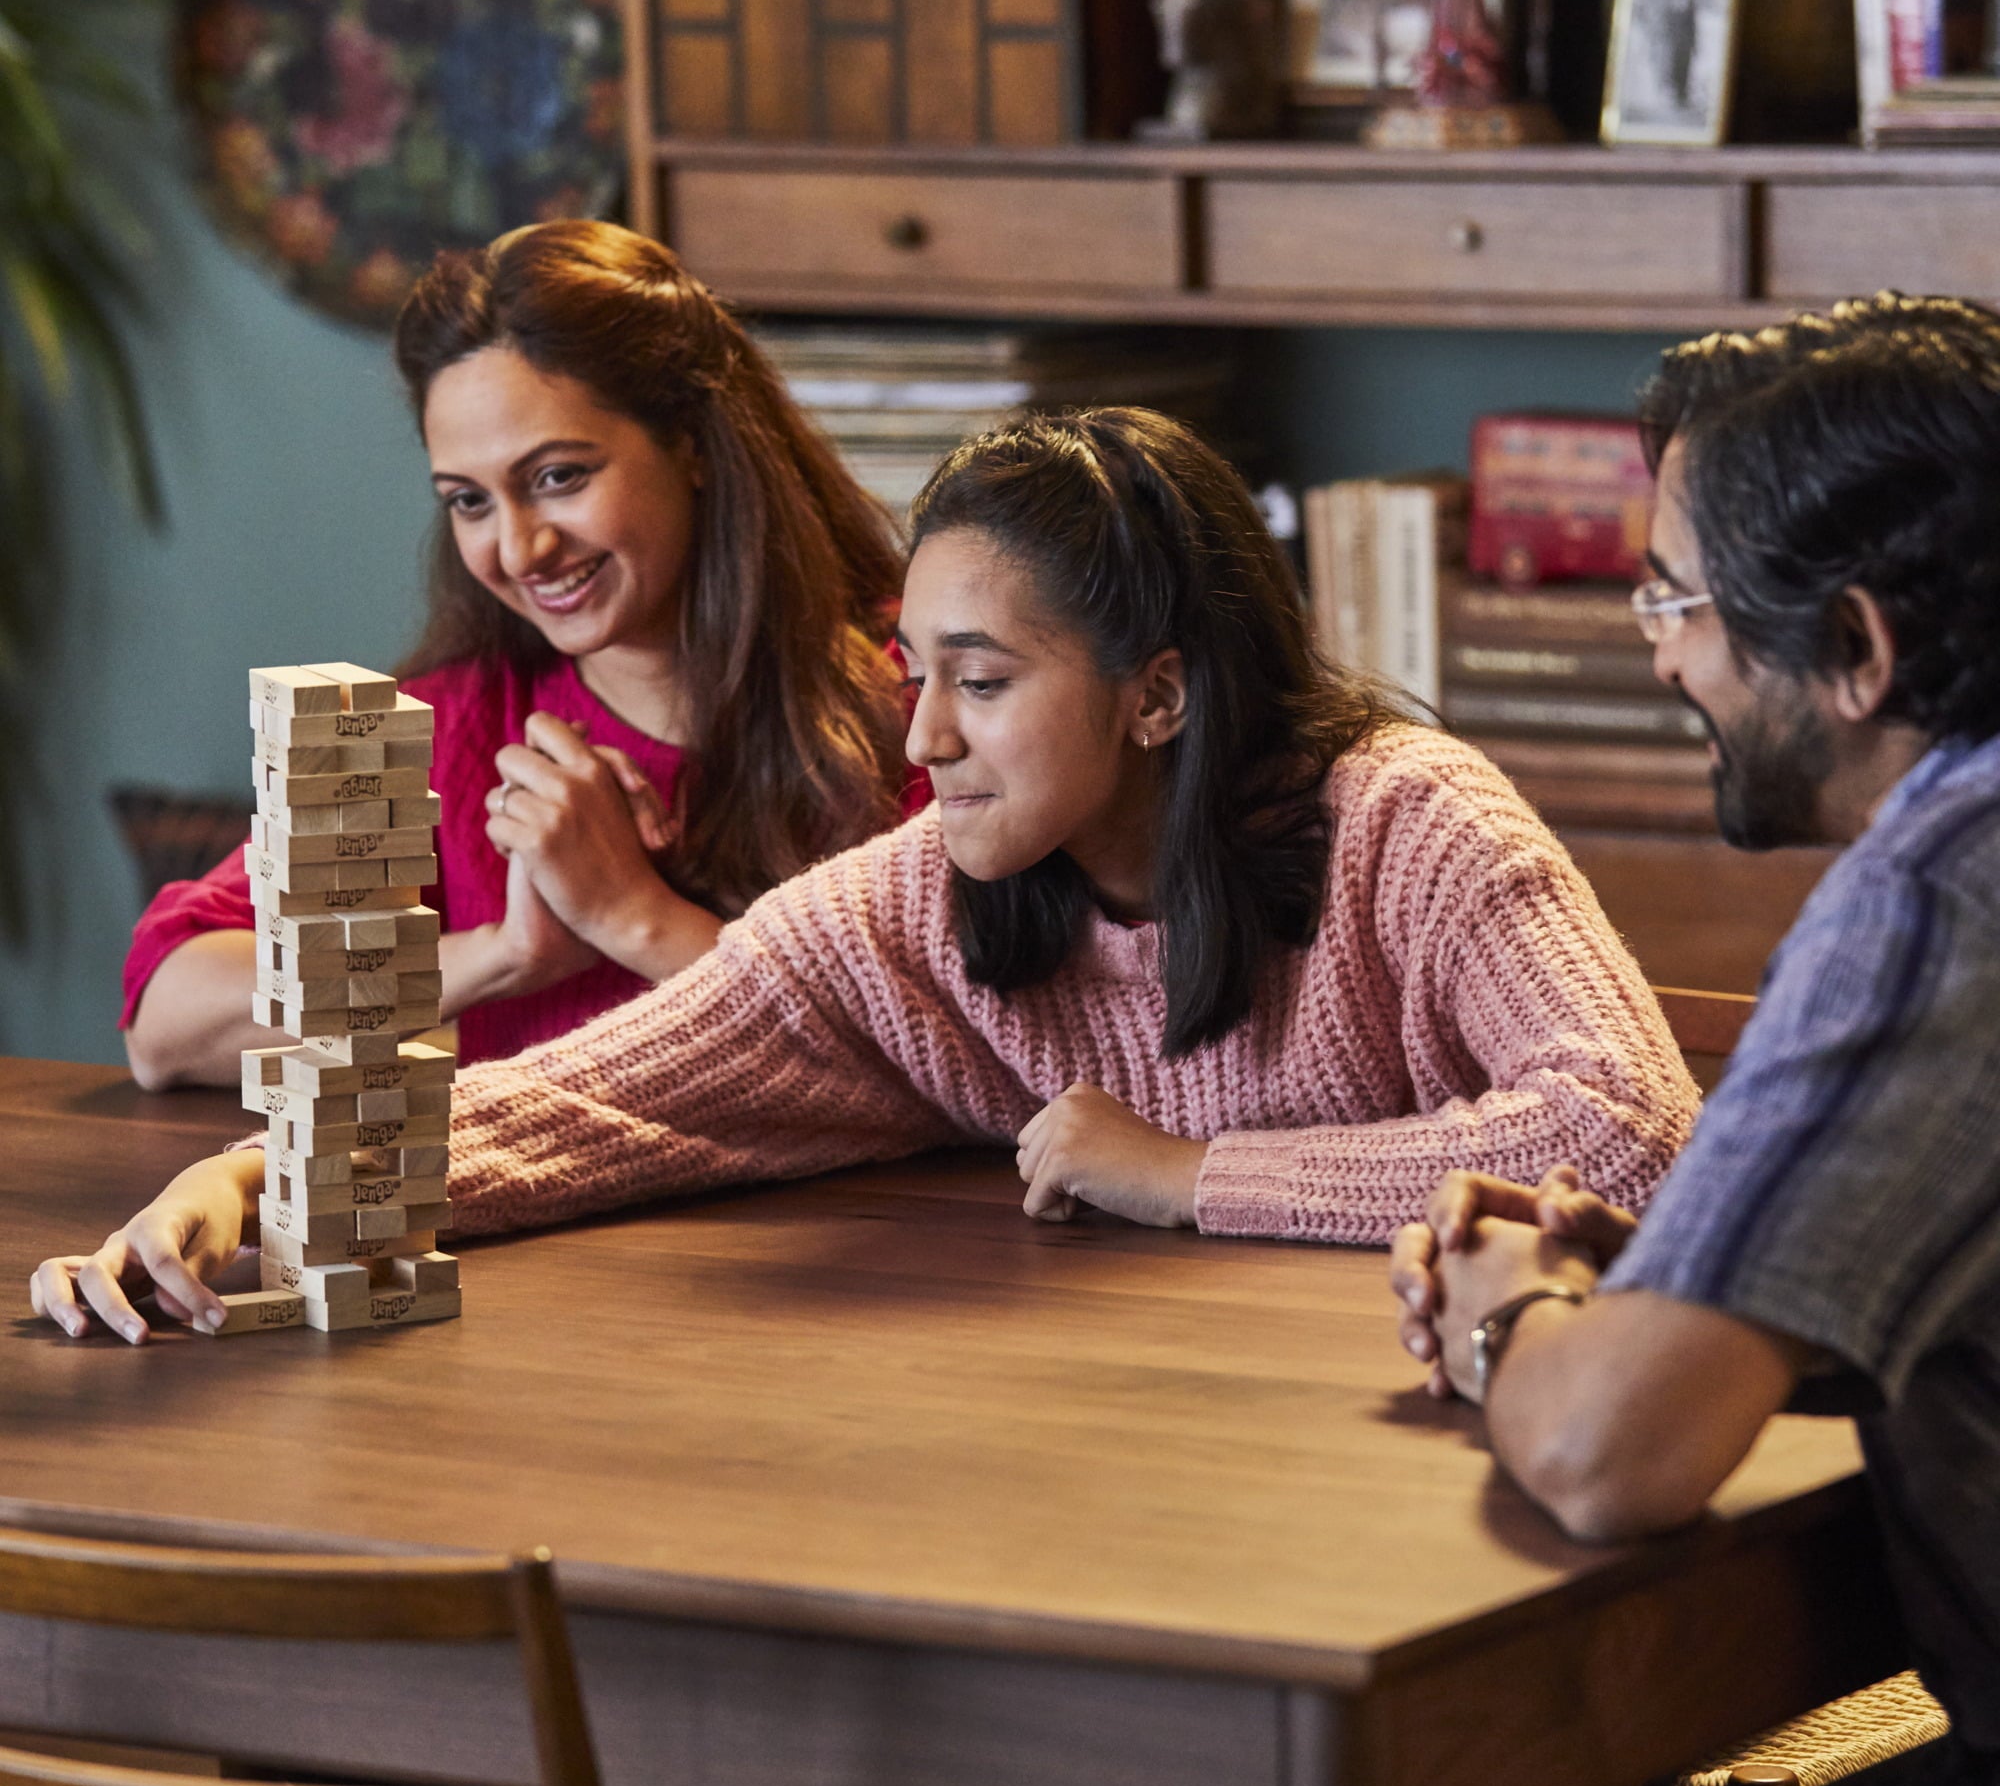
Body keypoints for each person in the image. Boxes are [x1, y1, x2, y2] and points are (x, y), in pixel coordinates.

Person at [46, 402, 1695, 1324]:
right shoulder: (925, 902)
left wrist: (1192, 1180)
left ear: (1160, 692)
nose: (924, 741)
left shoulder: (1413, 824)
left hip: (1452, 1493)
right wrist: (268, 1182)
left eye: (983, 682)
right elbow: (608, 1100)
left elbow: (1627, 1141)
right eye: (922, 673)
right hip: (1139, 1488)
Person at [1391, 294, 2000, 1786]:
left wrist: (1508, 1316)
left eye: (1676, 601)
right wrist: (1666, 1280)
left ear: (1856, 651)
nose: (1658, 652)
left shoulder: (1940, 898)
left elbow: (1610, 1458)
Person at [122, 219, 915, 1086]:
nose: (519, 549)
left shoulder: (929, 693)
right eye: (468, 501)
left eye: (558, 477)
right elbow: (165, 1023)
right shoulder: (432, 728)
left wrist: (636, 918)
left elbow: (955, 1071)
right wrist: (504, 956)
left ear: (690, 441)